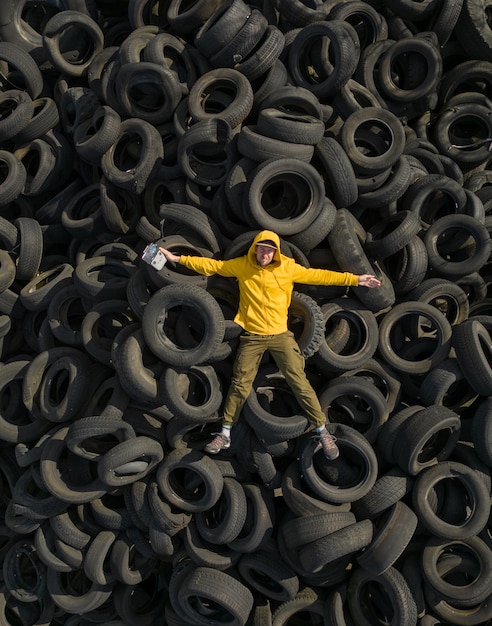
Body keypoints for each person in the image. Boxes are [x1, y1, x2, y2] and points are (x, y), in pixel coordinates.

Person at [159, 229, 381, 460]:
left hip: (280, 335)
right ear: (255, 248)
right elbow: (213, 266)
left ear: (275, 252)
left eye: (270, 250)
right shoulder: (242, 266)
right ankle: (224, 434)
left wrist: (355, 279)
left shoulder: (287, 268)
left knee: (298, 380)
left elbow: (320, 276)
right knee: (240, 382)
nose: (265, 253)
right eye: (262, 249)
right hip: (252, 336)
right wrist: (177, 259)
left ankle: (322, 431)